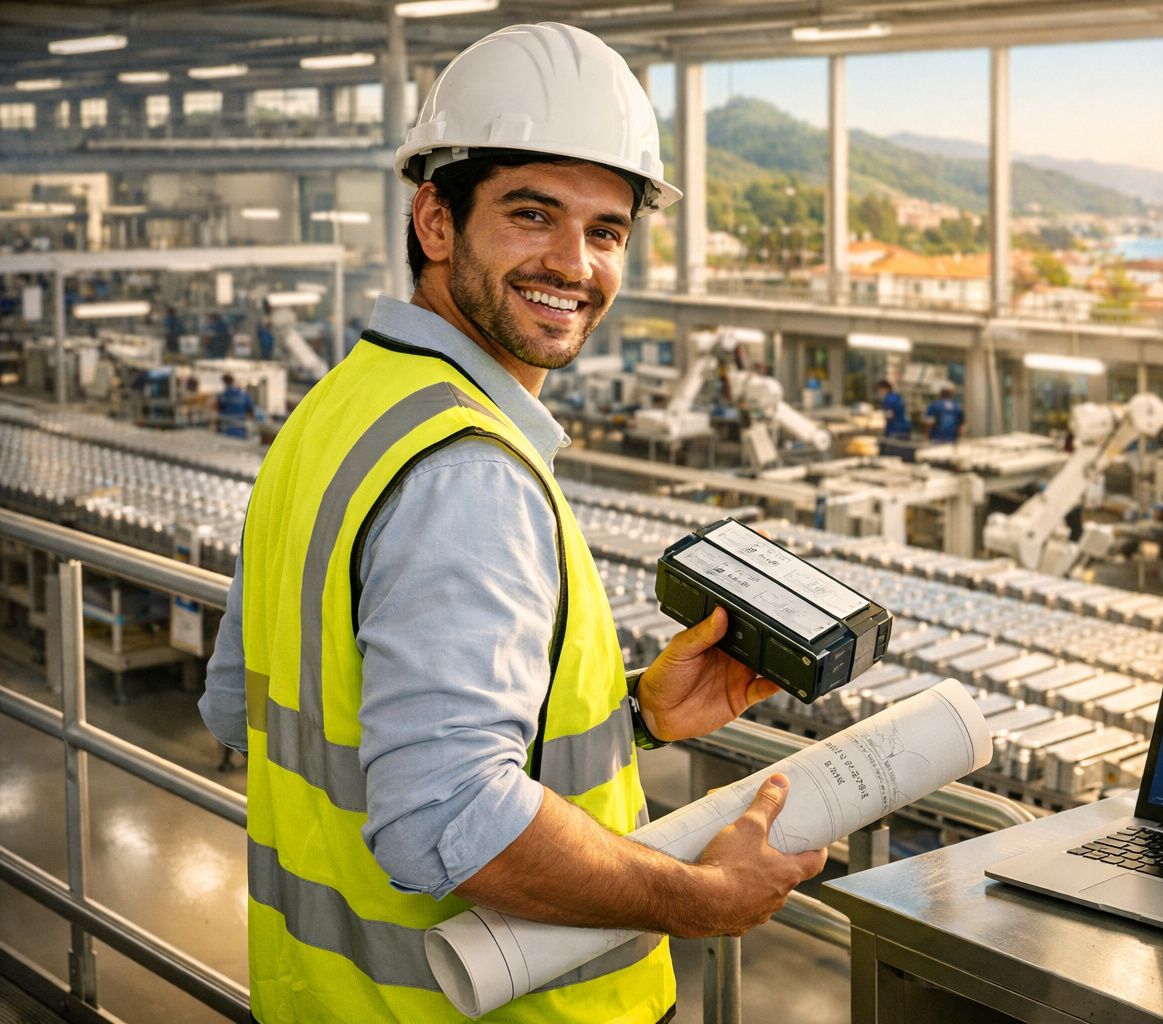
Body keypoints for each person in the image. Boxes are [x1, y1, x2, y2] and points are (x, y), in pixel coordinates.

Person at [198, 23, 825, 1024]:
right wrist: (702, 898)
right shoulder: (467, 471)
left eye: (606, 230)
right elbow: (448, 818)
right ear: (436, 221)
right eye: (532, 214)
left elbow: (244, 711)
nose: (573, 263)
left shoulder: (338, 411)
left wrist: (636, 714)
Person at [213, 373, 255, 439]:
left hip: (225, 430)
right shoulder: (244, 395)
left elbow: (218, 411)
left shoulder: (222, 396)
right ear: (234, 381)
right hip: (241, 429)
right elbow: (251, 412)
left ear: (224, 382)